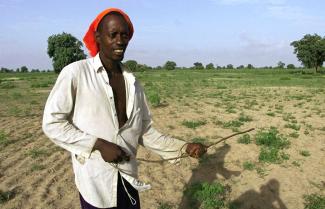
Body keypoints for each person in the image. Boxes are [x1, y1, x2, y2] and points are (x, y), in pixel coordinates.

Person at [42, 8, 207, 209]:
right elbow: (52, 123)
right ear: (98, 37)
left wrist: (184, 147)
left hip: (128, 178)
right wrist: (98, 145)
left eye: (124, 35)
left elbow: (144, 132)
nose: (120, 41)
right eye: (113, 35)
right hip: (96, 184)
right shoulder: (76, 73)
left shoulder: (133, 83)